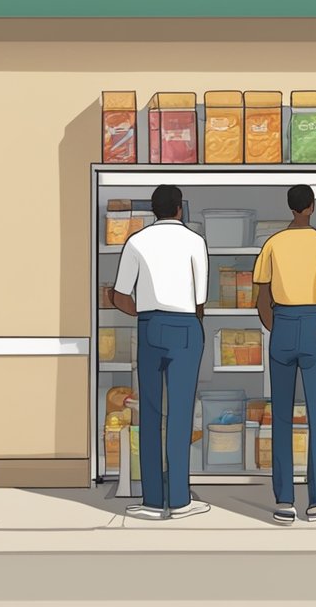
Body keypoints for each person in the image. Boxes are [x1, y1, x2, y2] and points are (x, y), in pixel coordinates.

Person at [112, 184, 210, 520]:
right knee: (181, 415)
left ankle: (153, 501)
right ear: (179, 209)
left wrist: (145, 311)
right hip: (185, 327)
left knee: (150, 413)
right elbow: (201, 299)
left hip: (150, 326)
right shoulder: (195, 242)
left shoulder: (137, 241)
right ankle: (181, 500)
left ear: (154, 210)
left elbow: (119, 295)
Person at [254, 184, 316, 525]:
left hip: (282, 324)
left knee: (281, 415)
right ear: (311, 207)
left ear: (291, 208)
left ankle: (284, 502)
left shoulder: (273, 244)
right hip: (311, 324)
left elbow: (261, 294)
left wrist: (274, 325)